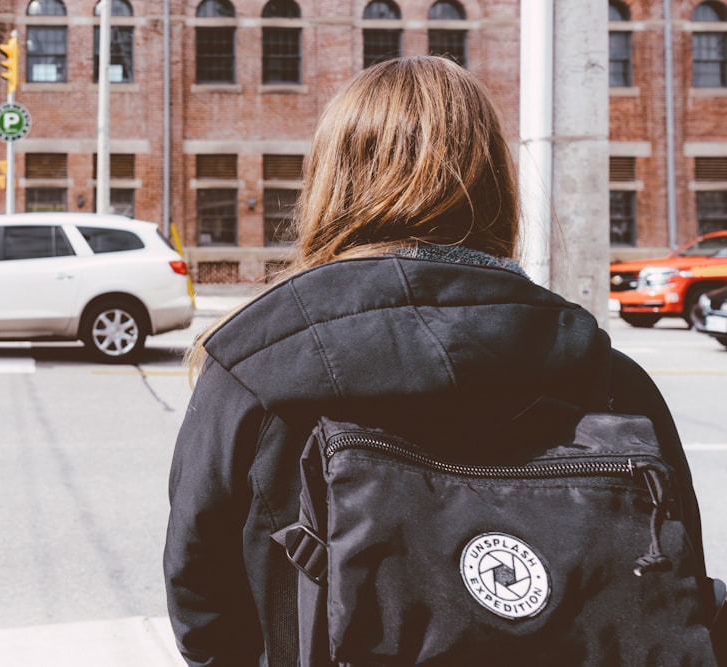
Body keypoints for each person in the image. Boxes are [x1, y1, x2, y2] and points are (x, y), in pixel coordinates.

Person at [163, 56, 716, 666]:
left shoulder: (256, 366)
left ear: (331, 183)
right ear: (495, 185)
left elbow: (202, 600)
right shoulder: (609, 377)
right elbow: (679, 574)